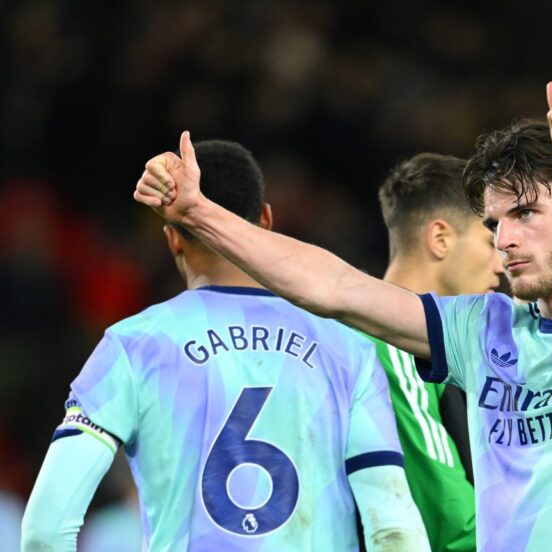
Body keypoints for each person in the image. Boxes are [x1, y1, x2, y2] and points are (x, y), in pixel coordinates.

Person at [135, 82, 552, 551]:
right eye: (494, 221)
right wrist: (199, 213)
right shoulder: (483, 330)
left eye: (526, 212)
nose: (505, 239)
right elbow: (335, 288)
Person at [22, 140, 429, 551]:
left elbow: (45, 531)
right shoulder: (348, 347)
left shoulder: (132, 346)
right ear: (267, 222)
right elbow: (393, 529)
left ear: (172, 239)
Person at [370, 153, 504, 550]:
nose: (503, 264)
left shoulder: (447, 350)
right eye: (490, 241)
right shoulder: (390, 344)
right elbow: (452, 520)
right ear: (440, 238)